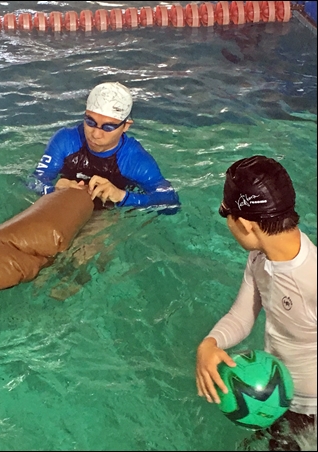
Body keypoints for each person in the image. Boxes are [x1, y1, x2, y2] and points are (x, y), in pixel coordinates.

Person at [195, 156, 316, 451]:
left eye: (226, 215)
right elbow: (242, 316)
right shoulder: (259, 259)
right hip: (277, 397)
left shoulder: (311, 277)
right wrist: (210, 344)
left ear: (246, 224)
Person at [27, 81, 180, 212]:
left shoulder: (134, 160)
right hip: (65, 200)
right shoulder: (65, 140)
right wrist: (52, 190)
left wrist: (122, 196)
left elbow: (170, 202)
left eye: (108, 127)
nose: (95, 134)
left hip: (108, 211)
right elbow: (34, 180)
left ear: (126, 126)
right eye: (90, 122)